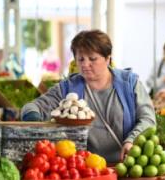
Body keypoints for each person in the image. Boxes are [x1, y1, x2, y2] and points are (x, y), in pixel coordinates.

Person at [21, 30, 155, 164]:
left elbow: (148, 119)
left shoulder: (129, 84)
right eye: (81, 59)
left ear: (108, 59)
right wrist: (33, 119)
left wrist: (132, 140)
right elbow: (32, 106)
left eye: (92, 59)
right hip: (86, 169)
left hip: (128, 166)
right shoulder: (67, 89)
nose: (85, 64)